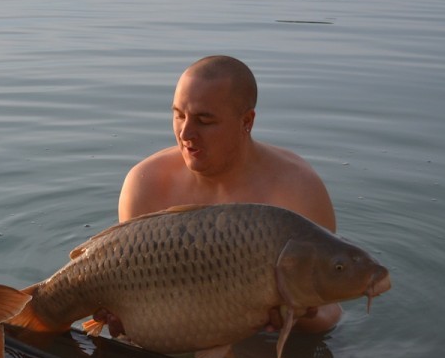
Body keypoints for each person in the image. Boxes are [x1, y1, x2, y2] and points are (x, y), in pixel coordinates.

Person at [118, 55, 341, 333]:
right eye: (179, 115)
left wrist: (302, 317)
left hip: (270, 348)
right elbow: (130, 291)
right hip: (176, 338)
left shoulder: (297, 189)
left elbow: (330, 305)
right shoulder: (147, 183)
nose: (186, 133)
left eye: (204, 120)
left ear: (246, 121)